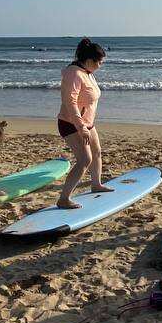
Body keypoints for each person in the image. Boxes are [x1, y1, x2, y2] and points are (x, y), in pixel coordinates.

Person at [56, 38, 112, 209]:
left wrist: (86, 125)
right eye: (99, 62)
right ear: (89, 61)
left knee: (97, 153)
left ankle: (96, 184)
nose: (100, 66)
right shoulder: (73, 73)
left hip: (87, 123)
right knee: (84, 160)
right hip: (71, 123)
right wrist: (81, 127)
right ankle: (64, 198)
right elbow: (70, 102)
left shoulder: (87, 72)